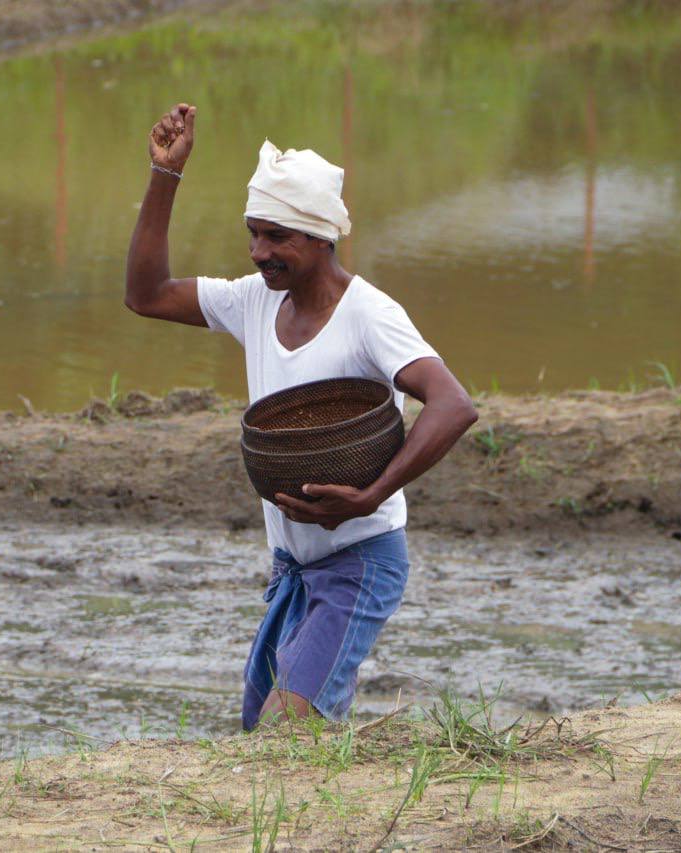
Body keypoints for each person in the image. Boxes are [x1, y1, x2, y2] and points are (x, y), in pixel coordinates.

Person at [125, 103, 478, 730]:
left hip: (360, 560)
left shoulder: (369, 314)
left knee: (285, 730)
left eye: (277, 237)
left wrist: (370, 495)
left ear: (321, 237)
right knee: (267, 730)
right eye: (253, 234)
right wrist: (165, 178)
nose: (260, 252)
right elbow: (146, 295)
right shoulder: (255, 301)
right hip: (292, 567)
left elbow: (452, 404)